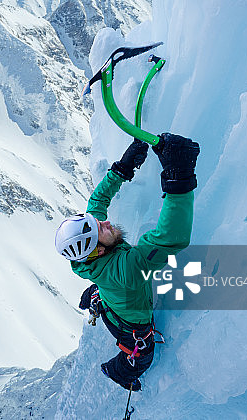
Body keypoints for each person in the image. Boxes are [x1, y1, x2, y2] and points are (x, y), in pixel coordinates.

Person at [54, 133, 199, 391]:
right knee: (142, 357)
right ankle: (119, 373)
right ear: (97, 251)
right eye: (101, 229)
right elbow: (169, 239)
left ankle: (94, 298)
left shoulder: (90, 253)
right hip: (130, 327)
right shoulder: (127, 269)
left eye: (98, 223)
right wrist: (179, 178)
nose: (106, 222)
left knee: (102, 293)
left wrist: (123, 167)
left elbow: (97, 203)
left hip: (112, 299)